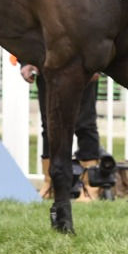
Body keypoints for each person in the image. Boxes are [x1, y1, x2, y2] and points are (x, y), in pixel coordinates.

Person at [20, 62, 103, 201]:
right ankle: (50, 184)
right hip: (46, 65)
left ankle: (90, 188)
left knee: (85, 125)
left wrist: (96, 66)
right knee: (49, 126)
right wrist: (26, 61)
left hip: (83, 62)